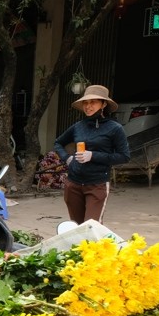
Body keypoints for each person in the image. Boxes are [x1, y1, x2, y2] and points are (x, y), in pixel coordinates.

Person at [53, 85, 130, 224]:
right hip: (73, 183)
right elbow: (58, 143)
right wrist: (67, 158)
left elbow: (124, 156)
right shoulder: (78, 126)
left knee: (91, 227)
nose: (88, 106)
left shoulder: (115, 128)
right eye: (86, 103)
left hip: (97, 184)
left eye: (93, 102)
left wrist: (92, 155)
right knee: (76, 227)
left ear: (104, 104)